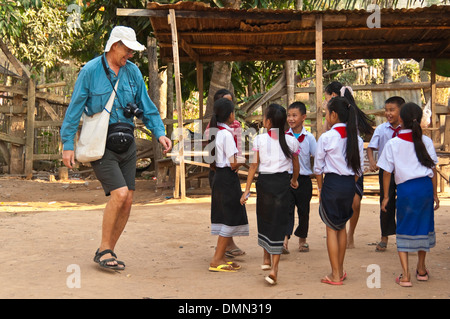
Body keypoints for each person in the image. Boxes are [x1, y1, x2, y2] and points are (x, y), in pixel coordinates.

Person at [60, 26, 172, 270]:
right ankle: (105, 248)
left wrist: (160, 133)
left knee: (128, 199)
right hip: (102, 144)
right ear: (114, 45)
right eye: (127, 50)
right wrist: (68, 144)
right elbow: (74, 110)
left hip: (127, 142)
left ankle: (106, 249)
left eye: (132, 51)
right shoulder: (90, 71)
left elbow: (147, 106)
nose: (130, 55)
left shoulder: (132, 73)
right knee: (119, 194)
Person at [377, 102, 439, 287]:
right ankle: (421, 269)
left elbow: (387, 173)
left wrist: (387, 196)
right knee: (423, 226)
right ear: (419, 120)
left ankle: (405, 276)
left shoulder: (393, 143)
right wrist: (435, 194)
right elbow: (432, 169)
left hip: (406, 191)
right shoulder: (426, 141)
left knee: (404, 228)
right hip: (425, 188)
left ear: (401, 119)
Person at [240, 104, 300, 285]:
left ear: (267, 122)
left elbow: (253, 166)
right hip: (282, 184)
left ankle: (267, 259)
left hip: (264, 184)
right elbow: (296, 165)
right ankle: (273, 267)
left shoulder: (259, 139)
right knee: (279, 223)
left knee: (265, 219)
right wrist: (295, 180)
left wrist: (246, 189)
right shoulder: (291, 141)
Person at [314, 96, 364, 285]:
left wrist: (320, 188)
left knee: (331, 229)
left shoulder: (326, 137)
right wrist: (350, 184)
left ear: (334, 115)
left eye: (326, 113)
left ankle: (335, 275)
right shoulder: (356, 139)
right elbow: (359, 170)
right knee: (341, 227)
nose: (326, 116)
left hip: (332, 185)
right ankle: (340, 270)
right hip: (349, 185)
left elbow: (318, 168)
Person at [324, 81, 374, 248]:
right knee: (345, 202)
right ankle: (341, 231)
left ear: (332, 94)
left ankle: (350, 233)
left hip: (353, 163)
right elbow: (327, 131)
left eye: (327, 97)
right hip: (339, 168)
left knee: (355, 201)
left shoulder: (351, 111)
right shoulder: (331, 115)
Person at [208, 98, 248, 272]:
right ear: (230, 115)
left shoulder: (216, 132)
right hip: (227, 178)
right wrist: (244, 160)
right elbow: (233, 163)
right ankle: (217, 259)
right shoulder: (227, 134)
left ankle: (222, 255)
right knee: (230, 217)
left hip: (219, 177)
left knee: (224, 215)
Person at [367, 96, 405, 252]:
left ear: (401, 111)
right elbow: (371, 147)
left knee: (404, 203)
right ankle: (384, 237)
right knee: (385, 203)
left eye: (392, 110)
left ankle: (405, 237)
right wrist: (371, 161)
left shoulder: (408, 128)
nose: (388, 113)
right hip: (386, 171)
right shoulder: (382, 129)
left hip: (404, 171)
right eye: (386, 110)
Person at [284, 101, 317, 253]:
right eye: (289, 115)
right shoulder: (284, 137)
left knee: (304, 211)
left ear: (303, 117)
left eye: (294, 115)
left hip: (304, 179)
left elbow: (316, 157)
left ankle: (302, 240)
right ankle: (284, 240)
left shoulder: (309, 138)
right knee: (287, 209)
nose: (291, 119)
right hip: (288, 178)